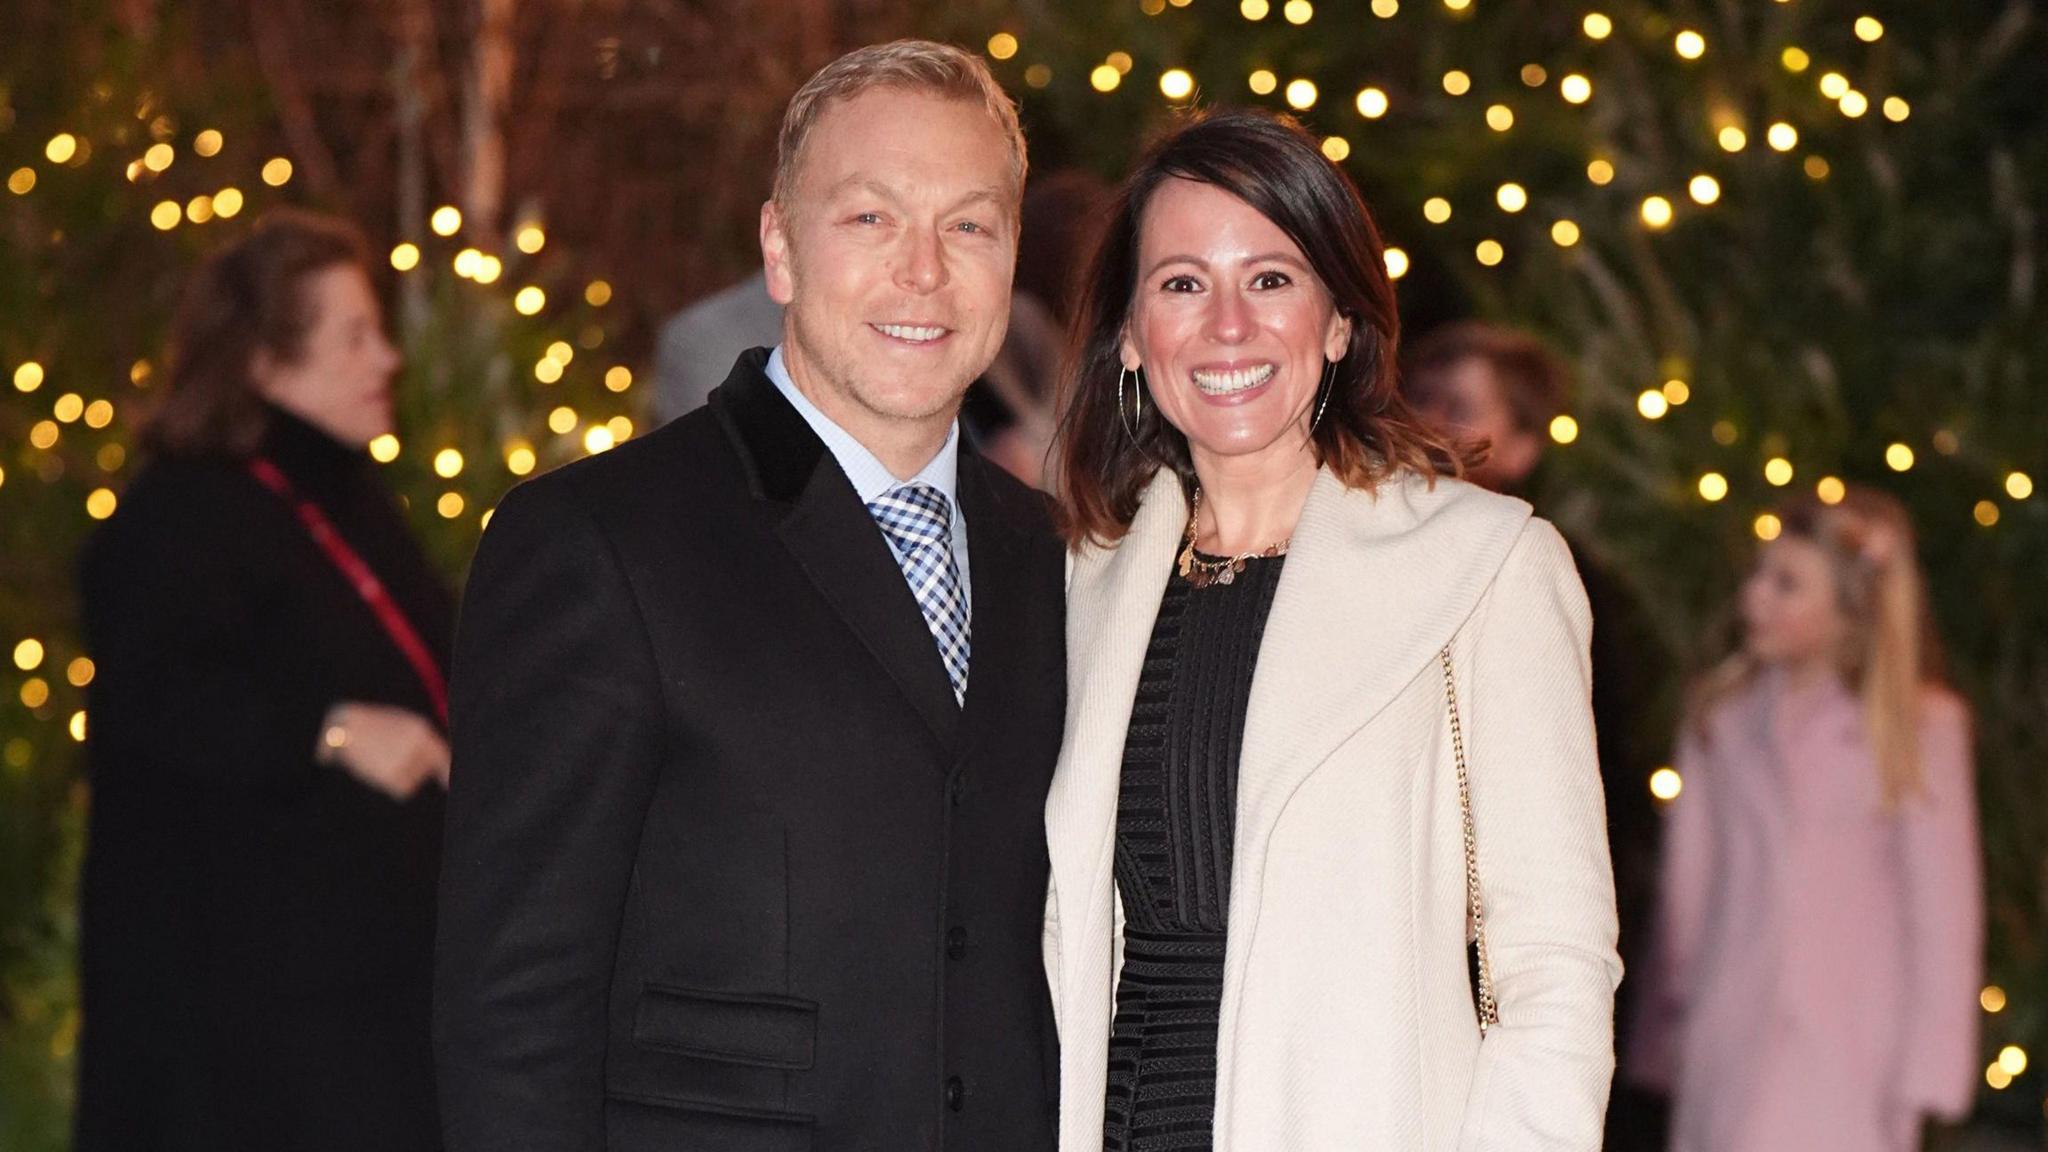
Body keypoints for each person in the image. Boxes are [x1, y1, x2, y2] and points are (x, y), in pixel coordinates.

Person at [435, 41, 1065, 1152]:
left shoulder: (1046, 555)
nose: (923, 270)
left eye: (968, 225)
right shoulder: (597, 542)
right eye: (869, 218)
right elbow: (513, 1005)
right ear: (778, 247)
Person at [1045, 109, 1619, 1151]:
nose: (1228, 325)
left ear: (1340, 322)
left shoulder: (1482, 565)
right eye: (1181, 283)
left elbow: (1554, 964)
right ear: (1129, 334)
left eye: (1269, 279)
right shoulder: (1082, 584)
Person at [75, 209, 449, 1151]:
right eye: (354, 336)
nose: (389, 359)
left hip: (362, 989)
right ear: (263, 362)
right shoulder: (179, 514)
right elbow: (156, 706)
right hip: (245, 1027)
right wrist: (328, 731)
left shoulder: (349, 493)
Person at [1629, 487, 1981, 1151]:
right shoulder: (1721, 720)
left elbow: (1943, 912)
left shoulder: (1916, 731)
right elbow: (1689, 891)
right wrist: (1667, 1031)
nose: (1754, 598)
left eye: (1786, 584)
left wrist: (1925, 1072)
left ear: (1852, 610)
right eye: (1759, 575)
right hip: (1727, 1041)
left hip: (1852, 1055)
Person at [1402, 321, 1673, 1149]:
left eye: (1460, 408)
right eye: (1422, 398)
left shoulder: (1547, 573)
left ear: (1521, 446)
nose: (1430, 424)